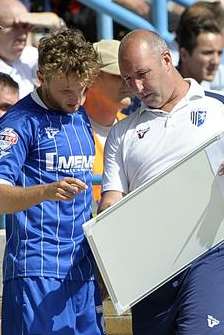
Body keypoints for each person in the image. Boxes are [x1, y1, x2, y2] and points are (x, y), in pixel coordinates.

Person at [98, 29, 224, 335]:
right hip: (150, 268)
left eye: (142, 74)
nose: (137, 87)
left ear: (166, 60)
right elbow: (111, 201)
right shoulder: (122, 132)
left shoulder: (218, 108)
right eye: (128, 79)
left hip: (208, 252)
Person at [0, 28, 105, 335]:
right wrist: (45, 191)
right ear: (41, 76)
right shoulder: (18, 123)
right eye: (67, 92)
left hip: (82, 269)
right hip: (37, 269)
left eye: (82, 90)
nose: (77, 100)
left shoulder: (80, 114)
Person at [84, 39, 129, 204]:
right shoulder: (67, 130)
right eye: (119, 75)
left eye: (129, 75)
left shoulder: (136, 127)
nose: (129, 82)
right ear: (91, 78)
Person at [0, 0, 64, 99]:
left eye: (27, 26)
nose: (23, 36)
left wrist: (54, 22)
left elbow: (68, 62)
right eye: (15, 27)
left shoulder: (29, 55)